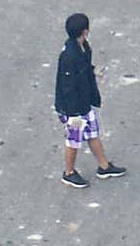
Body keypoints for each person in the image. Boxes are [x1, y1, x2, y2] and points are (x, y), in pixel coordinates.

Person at [54, 13, 126, 188]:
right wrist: (73, 115)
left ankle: (104, 166)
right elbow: (68, 87)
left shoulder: (82, 47)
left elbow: (83, 70)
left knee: (92, 133)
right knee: (74, 140)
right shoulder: (70, 56)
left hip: (84, 103)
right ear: (85, 31)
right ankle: (69, 173)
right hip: (74, 109)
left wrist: (92, 72)